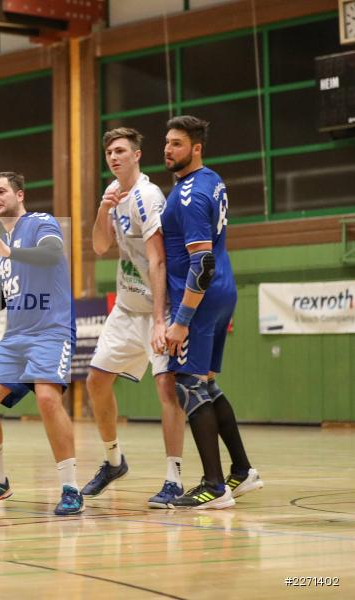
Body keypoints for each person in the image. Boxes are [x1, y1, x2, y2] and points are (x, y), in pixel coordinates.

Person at [80, 127, 187, 508]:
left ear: (137, 155)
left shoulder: (147, 196)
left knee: (167, 389)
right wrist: (103, 208)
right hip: (126, 308)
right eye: (109, 151)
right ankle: (113, 461)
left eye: (121, 150)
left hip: (159, 307)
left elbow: (158, 259)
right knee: (95, 381)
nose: (114, 156)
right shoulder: (114, 192)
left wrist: (160, 320)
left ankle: (174, 478)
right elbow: (99, 245)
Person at [161, 116, 263, 509]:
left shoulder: (190, 196)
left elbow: (200, 264)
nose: (168, 150)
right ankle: (241, 471)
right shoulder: (212, 180)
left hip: (199, 300)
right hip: (223, 292)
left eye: (177, 144)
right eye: (167, 143)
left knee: (187, 384)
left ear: (196, 148)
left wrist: (180, 321)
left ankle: (214, 486)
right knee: (206, 384)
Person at [0, 172, 81, 515]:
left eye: (1, 191)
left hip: (51, 330)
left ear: (20, 194)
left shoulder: (40, 222)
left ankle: (71, 487)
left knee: (48, 399)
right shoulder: (0, 247)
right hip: (15, 338)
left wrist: (11, 251)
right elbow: (0, 299)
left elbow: (51, 254)